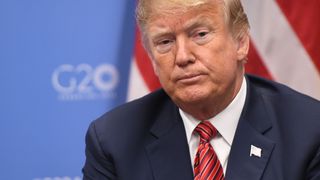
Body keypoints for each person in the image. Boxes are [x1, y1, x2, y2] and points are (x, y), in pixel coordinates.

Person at [82, 0, 320, 179]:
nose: (183, 57)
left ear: (241, 42)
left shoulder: (309, 131)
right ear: (152, 60)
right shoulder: (114, 140)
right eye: (165, 42)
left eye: (200, 35)